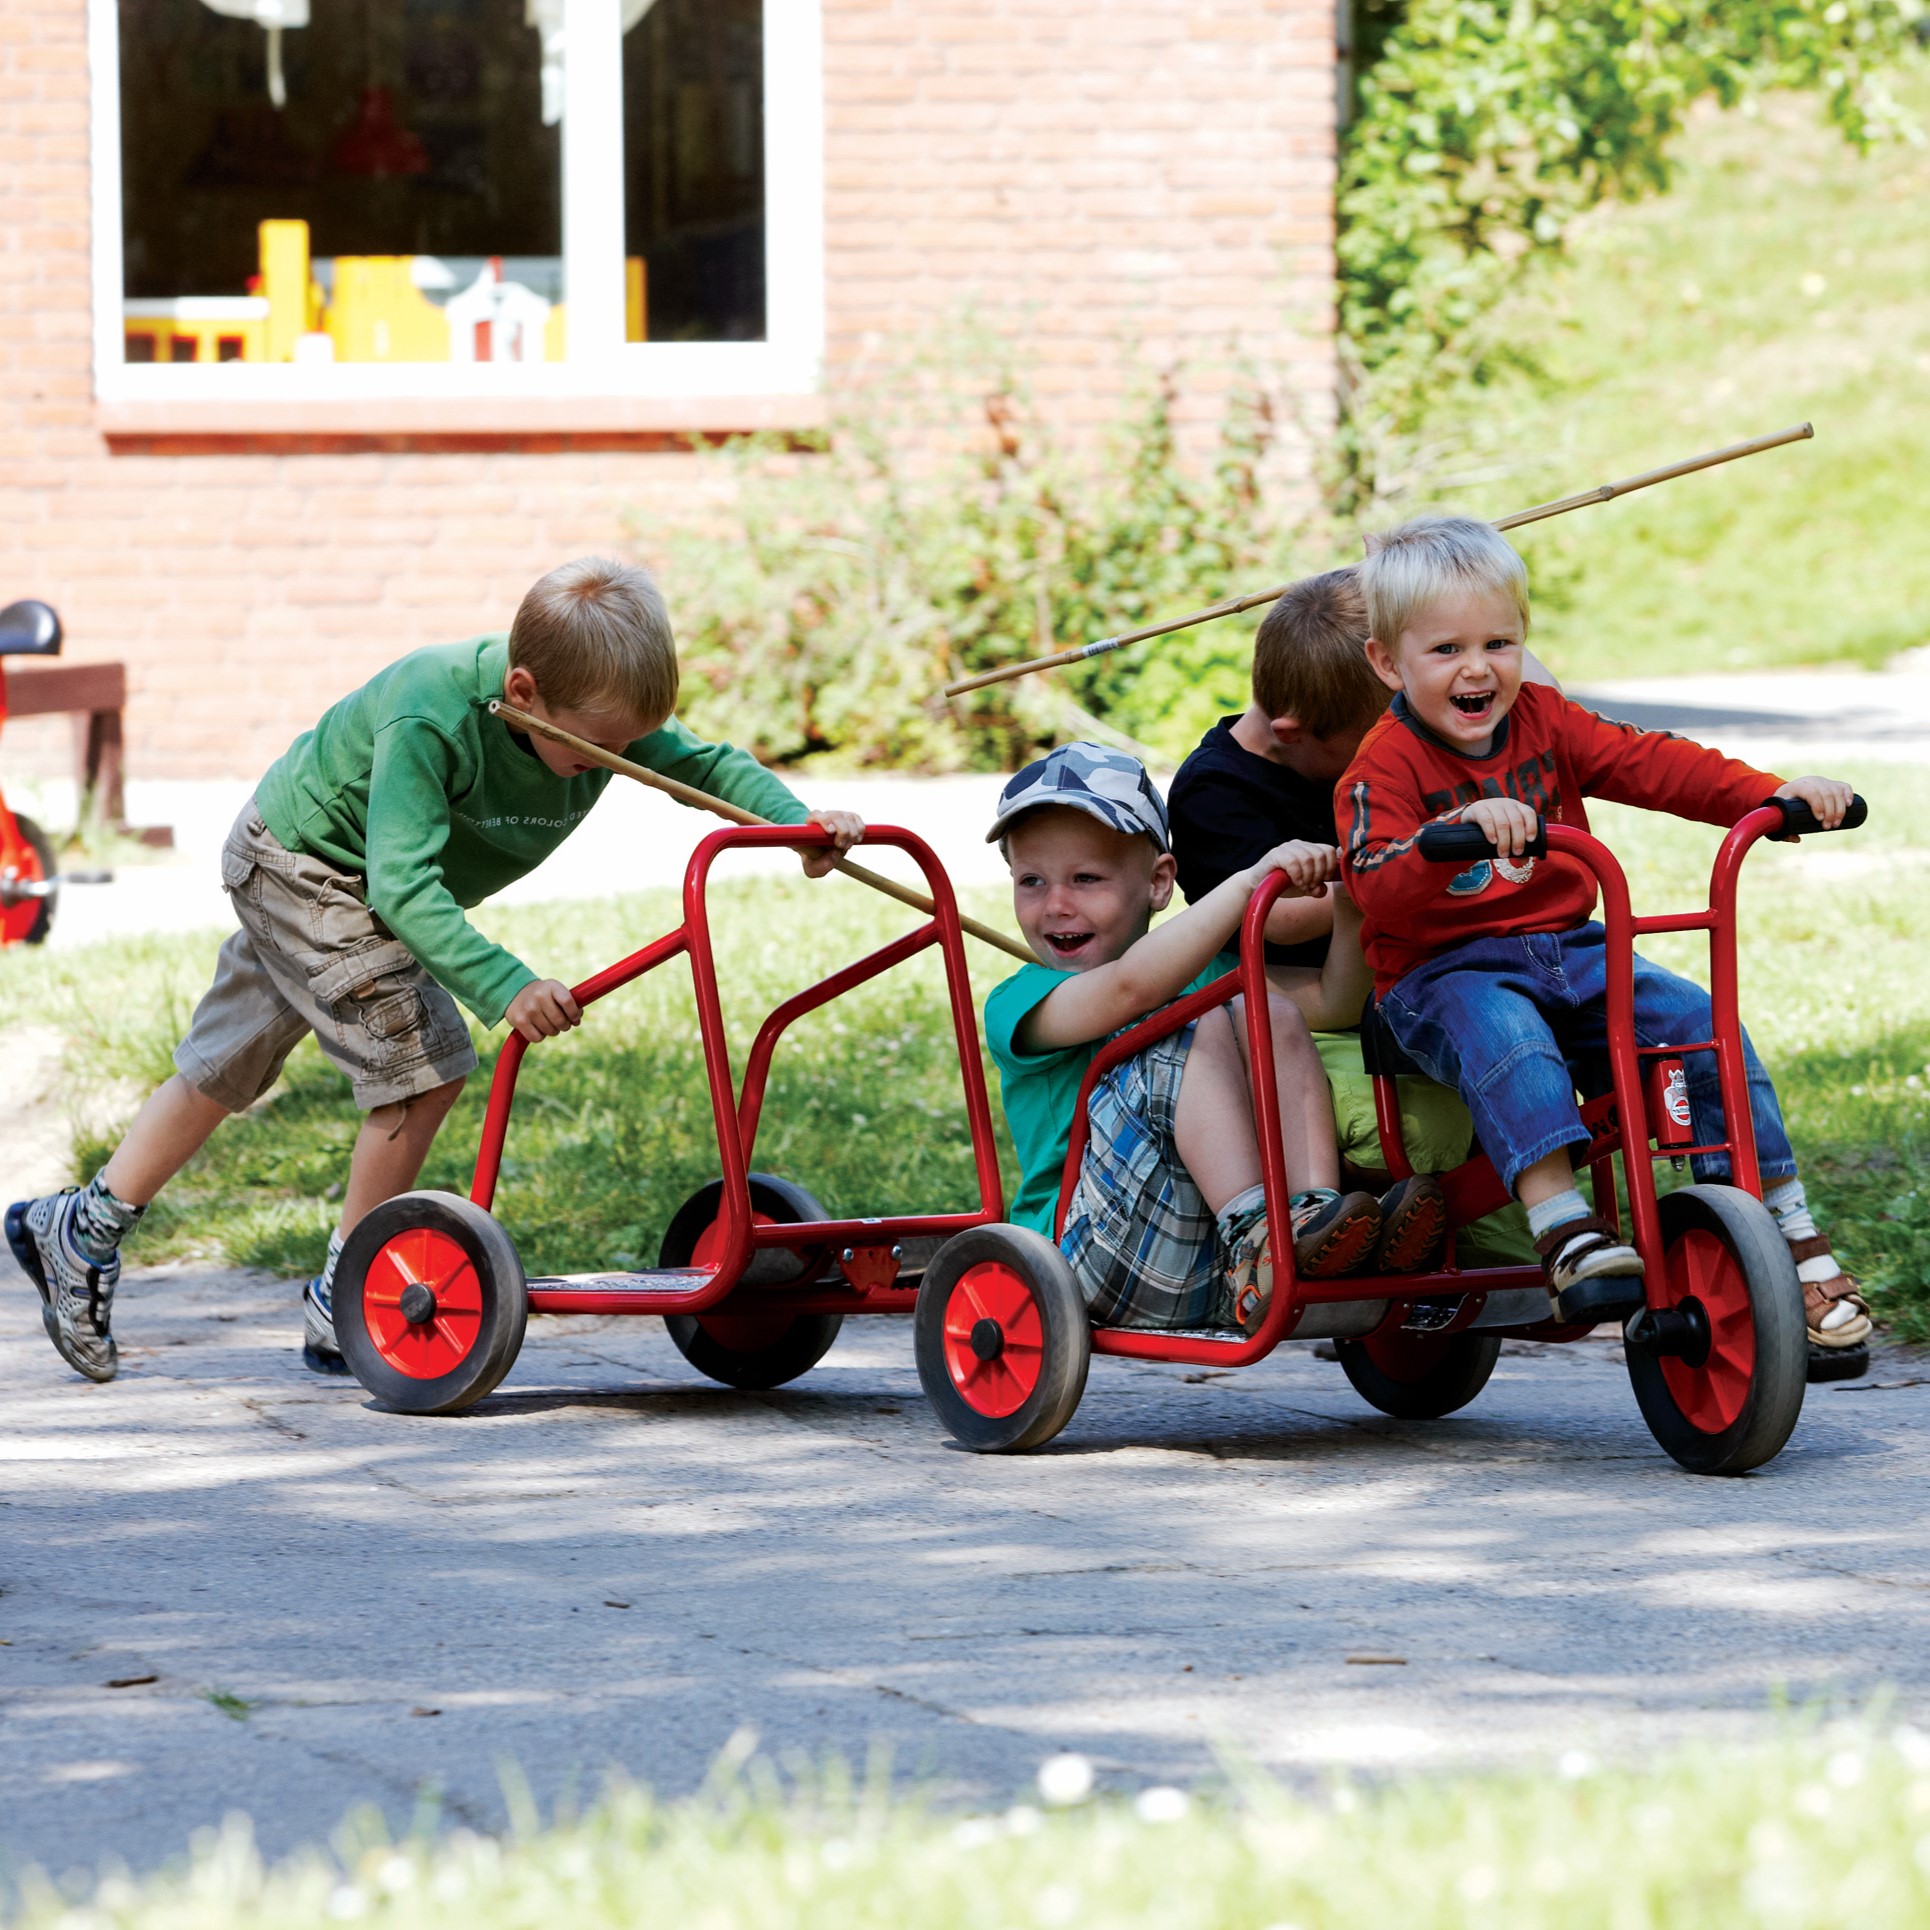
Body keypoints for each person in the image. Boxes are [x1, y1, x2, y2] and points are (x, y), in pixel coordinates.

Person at [7, 557, 864, 1384]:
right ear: (524, 692)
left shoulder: (595, 710)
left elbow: (703, 766)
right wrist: (504, 984)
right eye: (600, 746)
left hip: (358, 879)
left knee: (222, 1068)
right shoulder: (432, 712)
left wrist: (795, 825)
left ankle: (78, 1231)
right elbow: (405, 888)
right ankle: (349, 1297)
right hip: (306, 864)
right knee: (418, 1067)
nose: (618, 760)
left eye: (631, 741)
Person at [1338, 513, 1869, 1359]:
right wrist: (1455, 833)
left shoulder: (1547, 720)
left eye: (1499, 643)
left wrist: (1769, 795)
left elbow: (1652, 761)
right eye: (1446, 652)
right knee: (1505, 1029)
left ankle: (1779, 1233)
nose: (1478, 669)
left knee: (1703, 1022)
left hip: (1567, 951)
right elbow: (1374, 879)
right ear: (1388, 663)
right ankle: (1562, 1224)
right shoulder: (1385, 765)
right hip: (1439, 976)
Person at [980, 742, 1448, 1340]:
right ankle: (1263, 1234)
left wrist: (1355, 893)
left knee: (1268, 1009)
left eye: (1086, 878)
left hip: (1217, 1267)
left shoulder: (1210, 974)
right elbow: (1131, 988)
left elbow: (1333, 1000)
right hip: (1086, 1258)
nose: (1056, 905)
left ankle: (1312, 1225)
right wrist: (1253, 885)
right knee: (1190, 1021)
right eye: (1031, 881)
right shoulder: (1022, 1002)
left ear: (1157, 882)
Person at [1167, 568, 1537, 1267]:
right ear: (1292, 732)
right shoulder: (1215, 792)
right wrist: (1395, 870)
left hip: (1415, 981)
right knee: (1407, 1127)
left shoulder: (1399, 741)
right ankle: (1369, 1233)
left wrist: (1413, 582)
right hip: (1305, 1012)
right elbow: (1275, 919)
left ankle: (1492, 1248)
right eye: (1378, 736)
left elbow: (1525, 694)